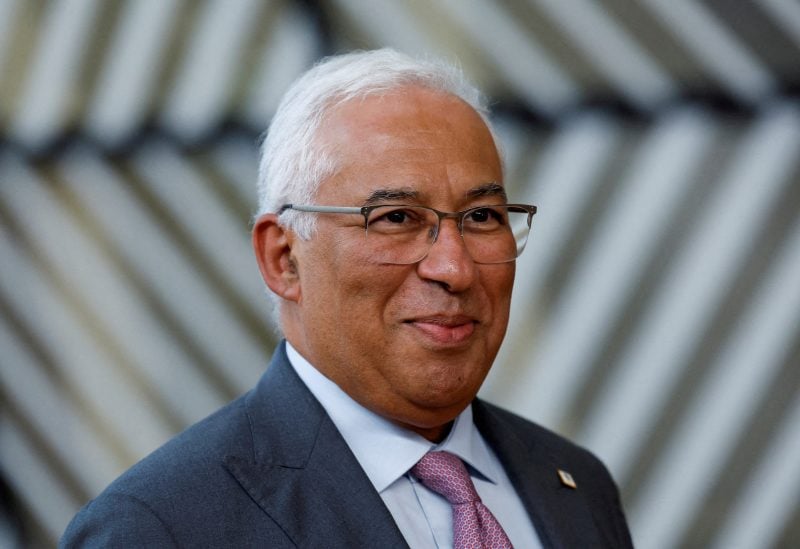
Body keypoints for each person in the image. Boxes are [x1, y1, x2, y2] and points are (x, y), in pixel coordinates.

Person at [61, 48, 633, 548]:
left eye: (481, 216)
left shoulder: (573, 485)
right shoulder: (161, 528)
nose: (455, 268)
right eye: (396, 218)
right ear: (284, 258)